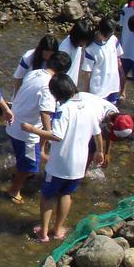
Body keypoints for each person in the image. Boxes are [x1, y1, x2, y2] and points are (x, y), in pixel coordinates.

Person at [20, 75, 103, 242]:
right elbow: (97, 132)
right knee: (66, 194)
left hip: (60, 163)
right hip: (79, 163)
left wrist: (32, 129)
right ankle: (58, 230)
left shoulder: (63, 110)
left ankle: (43, 232)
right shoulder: (88, 106)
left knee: (47, 195)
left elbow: (56, 136)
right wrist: (99, 151)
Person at [3, 52, 69, 203]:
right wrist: (50, 134)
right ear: (63, 72)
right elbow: (45, 112)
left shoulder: (35, 73)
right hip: (25, 132)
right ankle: (14, 190)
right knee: (30, 166)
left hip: (13, 122)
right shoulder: (49, 86)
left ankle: (16, 172)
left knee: (26, 159)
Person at [83, 18, 124, 104]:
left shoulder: (113, 39)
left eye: (111, 35)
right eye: (107, 36)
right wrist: (86, 92)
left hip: (113, 85)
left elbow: (118, 58)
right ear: (100, 31)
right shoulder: (90, 48)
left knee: (112, 114)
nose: (109, 37)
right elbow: (87, 72)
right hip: (99, 89)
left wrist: (122, 76)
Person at [59, 20, 93, 89]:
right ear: (77, 37)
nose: (85, 43)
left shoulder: (77, 44)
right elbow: (59, 73)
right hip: (64, 88)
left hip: (71, 86)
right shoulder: (65, 48)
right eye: (84, 40)